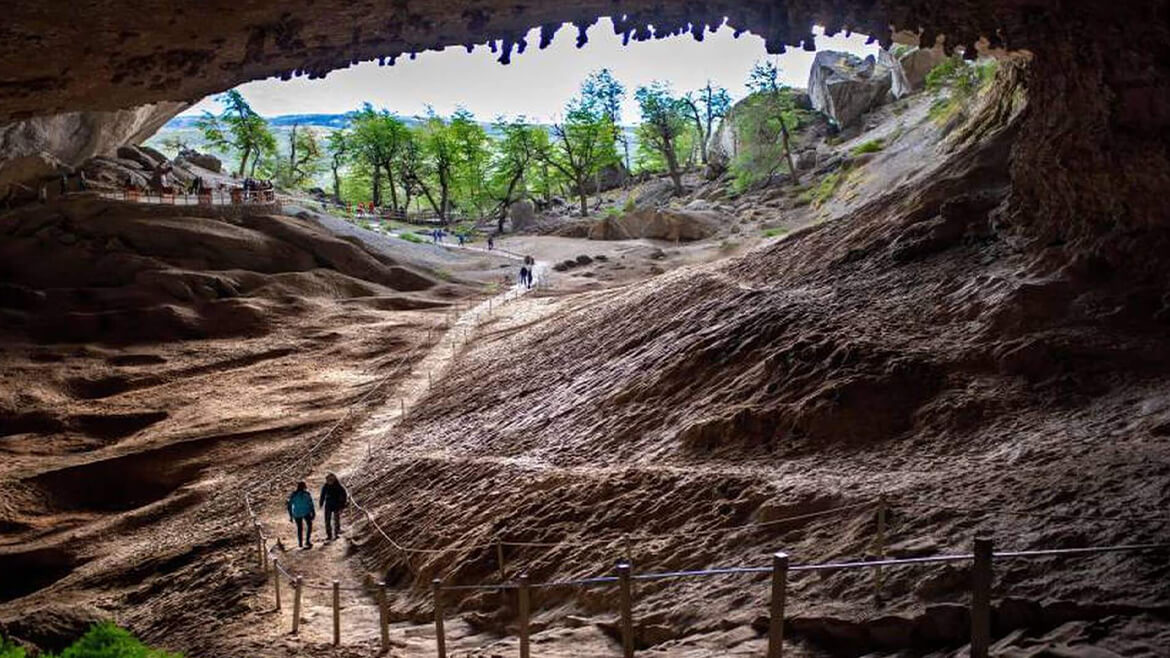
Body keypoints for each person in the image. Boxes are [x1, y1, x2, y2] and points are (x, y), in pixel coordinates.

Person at [286, 481, 316, 549]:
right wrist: (313, 513)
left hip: (297, 513)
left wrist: (290, 516)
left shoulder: (293, 495)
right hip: (306, 512)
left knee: (300, 528)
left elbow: (289, 505)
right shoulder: (307, 494)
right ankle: (307, 540)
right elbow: (311, 504)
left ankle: (300, 543)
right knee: (309, 526)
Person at [319, 473, 348, 541]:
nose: (329, 481)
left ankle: (337, 532)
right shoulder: (326, 486)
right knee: (327, 520)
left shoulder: (338, 486)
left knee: (336, 520)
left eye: (330, 480)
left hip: (336, 505)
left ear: (334, 479)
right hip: (328, 505)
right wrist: (321, 502)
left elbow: (344, 495)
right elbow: (322, 495)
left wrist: (343, 504)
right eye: (328, 480)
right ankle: (329, 535)